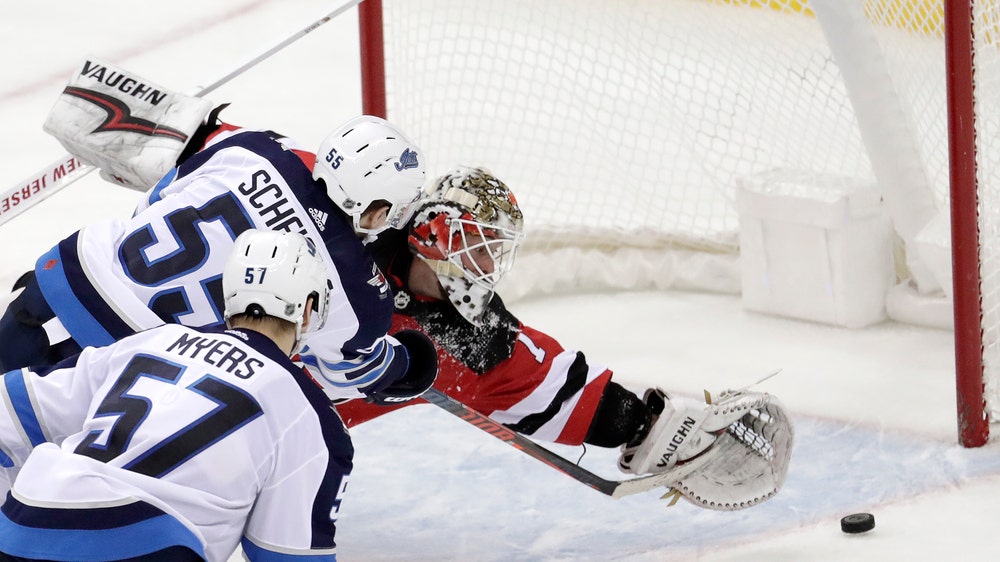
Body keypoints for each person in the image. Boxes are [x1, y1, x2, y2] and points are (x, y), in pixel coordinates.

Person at [334, 167, 792, 497]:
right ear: (437, 232)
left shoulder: (476, 344)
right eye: (479, 244)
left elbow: (554, 384)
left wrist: (656, 429)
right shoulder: (345, 236)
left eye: (496, 250)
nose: (490, 266)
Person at [0, 96, 436, 404]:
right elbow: (349, 378)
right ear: (374, 208)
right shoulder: (357, 294)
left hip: (64, 277)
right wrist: (411, 361)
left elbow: (155, 200)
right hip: (121, 366)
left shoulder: (252, 149)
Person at [0, 229, 356, 561]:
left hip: (23, 522)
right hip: (147, 546)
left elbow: (10, 407)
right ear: (308, 309)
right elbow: (283, 554)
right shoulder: (313, 417)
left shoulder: (154, 340)